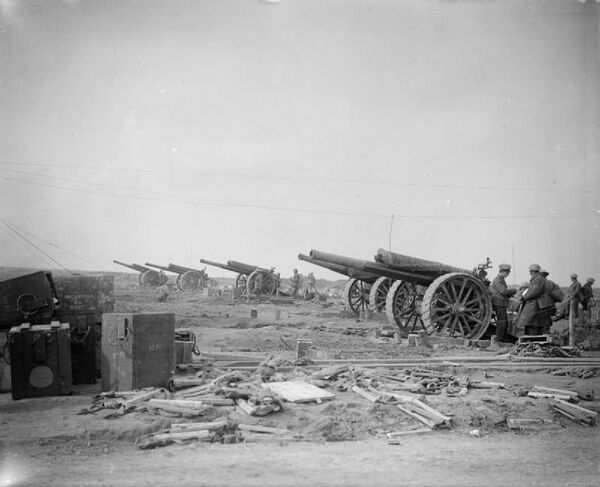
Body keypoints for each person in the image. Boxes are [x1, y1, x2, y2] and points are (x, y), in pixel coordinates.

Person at [514, 263, 546, 336]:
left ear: (534, 272)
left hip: (534, 305)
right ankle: (529, 337)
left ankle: (531, 338)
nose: (530, 274)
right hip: (533, 304)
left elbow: (534, 292)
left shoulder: (538, 279)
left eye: (531, 272)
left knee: (531, 322)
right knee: (529, 322)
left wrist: (523, 298)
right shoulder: (537, 279)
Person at [490, 264, 517, 342]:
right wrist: (514, 291)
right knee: (502, 323)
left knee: (504, 322)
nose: (508, 274)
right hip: (499, 303)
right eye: (507, 273)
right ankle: (498, 340)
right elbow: (503, 291)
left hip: (500, 303)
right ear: (503, 272)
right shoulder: (498, 280)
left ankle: (503, 339)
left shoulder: (500, 279)